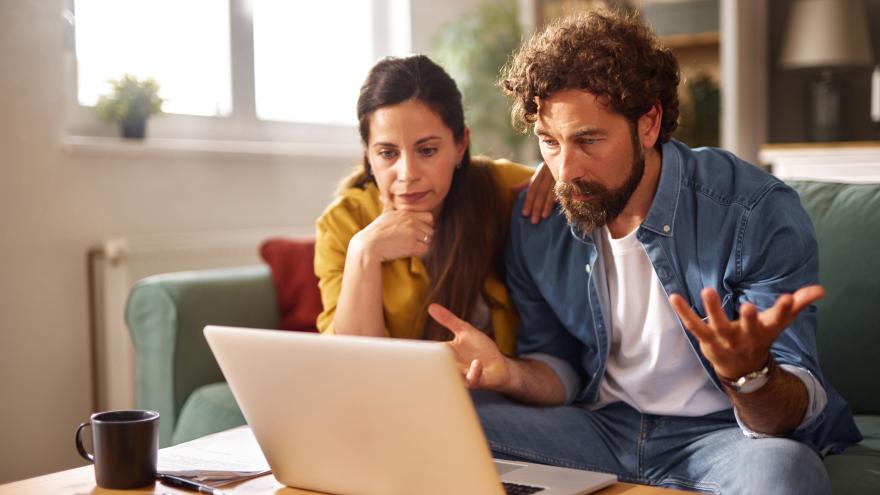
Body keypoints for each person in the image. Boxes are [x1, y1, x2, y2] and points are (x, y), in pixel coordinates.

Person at [426, 11, 862, 494]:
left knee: (785, 472)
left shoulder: (753, 209)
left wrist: (750, 375)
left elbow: (789, 415)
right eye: (550, 142)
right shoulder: (540, 219)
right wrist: (508, 373)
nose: (565, 170)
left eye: (588, 140)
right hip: (599, 429)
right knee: (443, 425)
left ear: (649, 122)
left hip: (723, 436)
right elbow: (560, 367)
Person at [314, 54, 555, 356]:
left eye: (427, 150)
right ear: (368, 155)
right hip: (393, 394)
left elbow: (574, 175)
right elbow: (354, 363)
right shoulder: (343, 223)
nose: (408, 174)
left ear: (460, 145)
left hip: (495, 390)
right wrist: (364, 252)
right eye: (388, 154)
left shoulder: (495, 185)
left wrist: (555, 167)